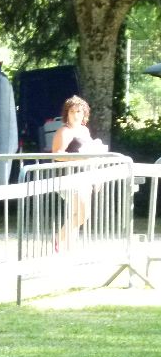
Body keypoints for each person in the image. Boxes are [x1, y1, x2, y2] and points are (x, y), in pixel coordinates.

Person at [51, 95, 105, 250]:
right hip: (69, 177)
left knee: (81, 216)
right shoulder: (64, 131)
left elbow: (90, 154)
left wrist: (97, 177)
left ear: (84, 114)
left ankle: (67, 246)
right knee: (80, 214)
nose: (76, 115)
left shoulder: (84, 130)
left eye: (79, 112)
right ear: (67, 113)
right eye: (73, 111)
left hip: (85, 176)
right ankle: (58, 239)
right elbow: (57, 154)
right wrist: (77, 158)